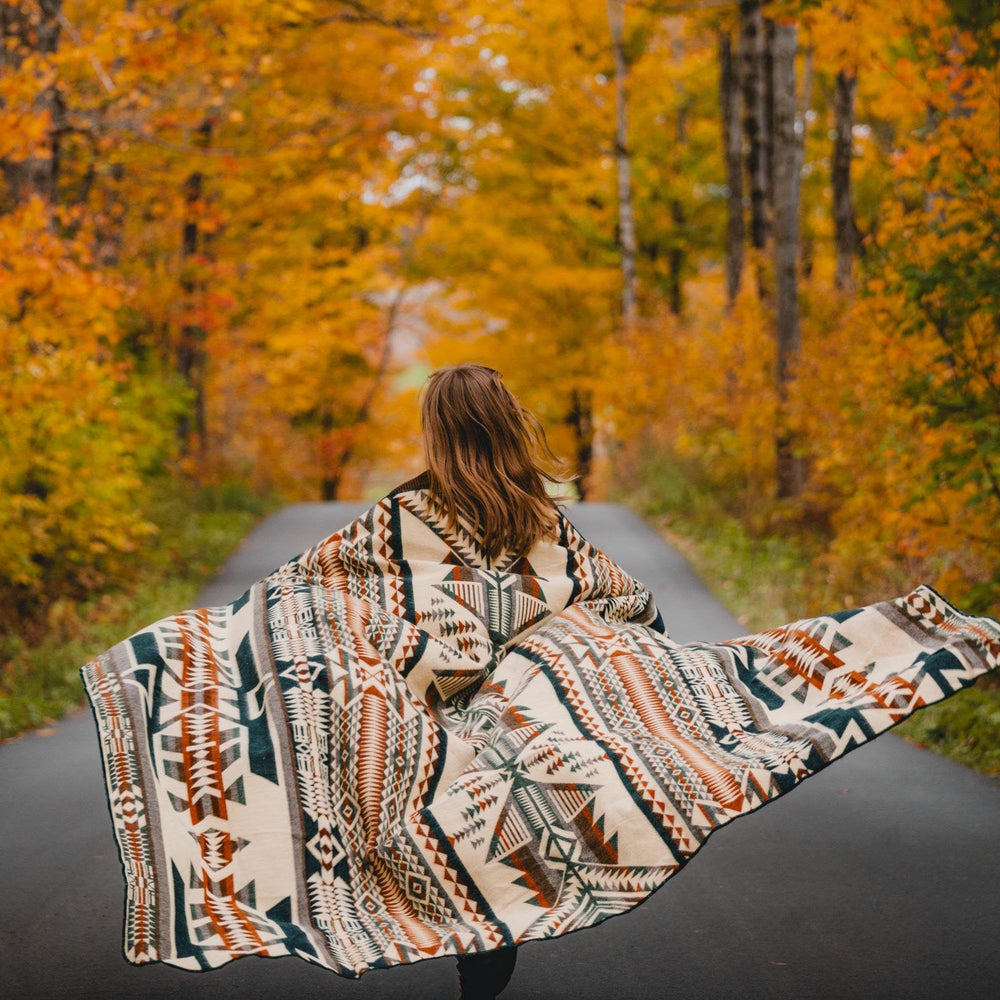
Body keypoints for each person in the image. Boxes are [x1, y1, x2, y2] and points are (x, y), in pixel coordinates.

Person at [80, 363, 1000, 998]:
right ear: (508, 424)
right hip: (525, 703)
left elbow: (293, 602)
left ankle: (440, 919)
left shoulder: (395, 520)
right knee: (532, 775)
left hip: (443, 706)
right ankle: (498, 921)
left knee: (396, 779)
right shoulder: (544, 520)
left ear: (437, 431)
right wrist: (626, 650)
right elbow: (626, 600)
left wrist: (197, 657)